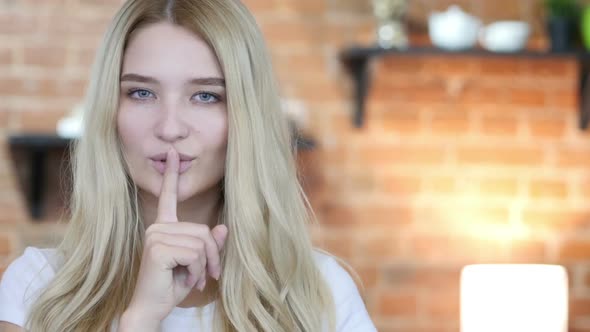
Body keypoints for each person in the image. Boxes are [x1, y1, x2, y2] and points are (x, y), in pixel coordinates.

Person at [0, 0, 377, 331]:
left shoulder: (322, 294)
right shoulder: (38, 286)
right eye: (142, 93)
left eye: (206, 96)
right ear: (109, 111)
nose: (170, 128)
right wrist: (140, 319)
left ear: (244, 116)